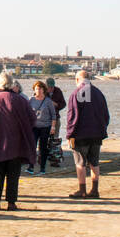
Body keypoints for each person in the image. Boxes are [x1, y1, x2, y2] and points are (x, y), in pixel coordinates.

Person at [0, 73, 38, 209]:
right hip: (17, 144)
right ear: (11, 84)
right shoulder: (21, 100)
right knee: (13, 175)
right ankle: (11, 203)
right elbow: (33, 120)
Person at [64, 69, 110, 199]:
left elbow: (72, 116)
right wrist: (102, 128)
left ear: (77, 80)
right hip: (97, 133)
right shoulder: (98, 93)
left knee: (80, 162)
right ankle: (95, 190)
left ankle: (82, 189)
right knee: (94, 162)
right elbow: (106, 115)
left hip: (81, 134)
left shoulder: (76, 93)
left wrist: (69, 134)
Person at [27, 80, 58, 175]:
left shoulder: (48, 101)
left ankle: (42, 168)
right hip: (34, 127)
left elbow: (53, 115)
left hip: (45, 126)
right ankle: (31, 167)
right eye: (36, 89)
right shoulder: (31, 100)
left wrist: (53, 127)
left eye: (40, 89)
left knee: (43, 148)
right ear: (34, 89)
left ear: (44, 90)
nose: (38, 90)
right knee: (32, 146)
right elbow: (27, 113)